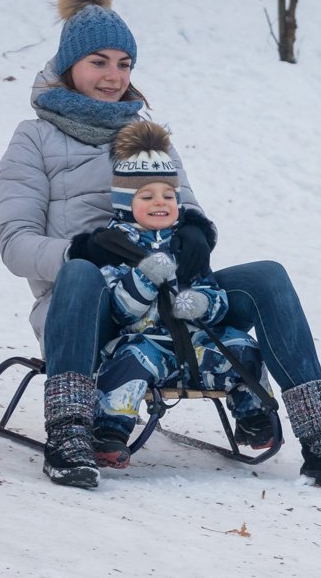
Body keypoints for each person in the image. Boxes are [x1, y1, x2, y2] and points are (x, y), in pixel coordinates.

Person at [0, 0, 321, 490]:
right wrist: (77, 249)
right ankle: (70, 431)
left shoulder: (146, 135)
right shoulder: (34, 138)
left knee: (267, 276)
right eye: (99, 62)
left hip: (167, 295)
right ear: (69, 64)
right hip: (88, 306)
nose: (113, 77)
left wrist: (197, 234)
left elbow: (188, 207)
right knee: (82, 274)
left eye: (124, 63)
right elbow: (15, 243)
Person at [90, 120, 276, 470]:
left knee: (243, 348)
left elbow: (213, 293)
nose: (160, 203)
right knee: (128, 362)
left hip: (197, 344)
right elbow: (119, 310)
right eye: (147, 197)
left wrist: (205, 304)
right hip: (149, 343)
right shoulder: (113, 246)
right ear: (126, 203)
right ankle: (110, 432)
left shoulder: (187, 243)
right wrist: (143, 280)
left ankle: (254, 418)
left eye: (168, 196)